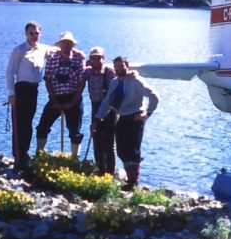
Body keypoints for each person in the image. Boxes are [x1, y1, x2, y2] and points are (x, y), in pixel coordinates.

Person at [96, 56, 159, 191]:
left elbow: (154, 96)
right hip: (122, 117)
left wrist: (147, 113)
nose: (118, 69)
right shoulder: (114, 82)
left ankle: (133, 182)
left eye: (121, 66)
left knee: (133, 150)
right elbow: (107, 102)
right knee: (121, 150)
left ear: (127, 66)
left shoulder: (136, 80)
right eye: (116, 66)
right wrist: (97, 118)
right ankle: (129, 179)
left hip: (136, 117)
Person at [5, 21, 48, 172]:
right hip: (21, 89)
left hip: (34, 90)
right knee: (19, 124)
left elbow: (58, 49)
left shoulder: (43, 49)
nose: (34, 35)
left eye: (36, 33)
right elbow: (10, 73)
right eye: (31, 33)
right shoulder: (19, 50)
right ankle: (18, 156)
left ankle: (25, 153)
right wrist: (11, 93)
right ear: (26, 34)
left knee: (28, 123)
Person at [35, 31, 86, 157]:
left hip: (74, 97)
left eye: (69, 43)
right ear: (60, 45)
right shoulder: (52, 58)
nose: (66, 45)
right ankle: (40, 155)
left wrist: (73, 102)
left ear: (72, 45)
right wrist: (55, 101)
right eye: (64, 43)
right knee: (42, 127)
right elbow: (47, 80)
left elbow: (81, 82)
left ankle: (74, 159)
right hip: (55, 97)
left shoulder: (79, 58)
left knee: (75, 132)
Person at [81, 46, 116, 175]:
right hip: (95, 106)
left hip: (110, 109)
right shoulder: (88, 72)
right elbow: (77, 76)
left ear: (104, 58)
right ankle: (100, 170)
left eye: (99, 58)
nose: (96, 60)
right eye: (93, 58)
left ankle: (109, 173)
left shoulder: (110, 72)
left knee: (109, 142)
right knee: (96, 139)